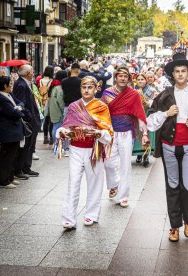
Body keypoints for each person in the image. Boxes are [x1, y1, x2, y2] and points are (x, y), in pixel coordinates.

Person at [147, 52, 188, 242]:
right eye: (177, 71)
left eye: (184, 71)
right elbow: (150, 121)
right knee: (172, 185)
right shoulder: (164, 95)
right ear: (172, 74)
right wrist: (166, 113)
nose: (181, 74)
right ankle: (174, 226)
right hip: (168, 145)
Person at [56, 76, 113, 229]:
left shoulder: (102, 107)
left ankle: (91, 215)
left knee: (94, 182)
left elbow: (108, 132)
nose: (86, 90)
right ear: (80, 88)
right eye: (84, 87)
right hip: (75, 149)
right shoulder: (74, 106)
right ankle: (69, 218)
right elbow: (65, 126)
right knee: (73, 182)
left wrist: (97, 133)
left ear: (96, 89)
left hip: (94, 148)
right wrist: (63, 133)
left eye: (90, 87)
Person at [101, 66, 148, 207]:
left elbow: (139, 114)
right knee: (108, 163)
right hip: (110, 133)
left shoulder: (133, 94)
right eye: (120, 76)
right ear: (115, 77)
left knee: (126, 165)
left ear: (128, 79)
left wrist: (144, 133)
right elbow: (101, 112)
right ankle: (114, 185)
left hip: (127, 133)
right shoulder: (107, 92)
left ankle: (123, 196)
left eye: (125, 76)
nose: (122, 78)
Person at [0, 76, 25, 189]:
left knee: (12, 155)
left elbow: (21, 103)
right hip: (7, 132)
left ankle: (10, 177)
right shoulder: (0, 99)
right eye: (10, 84)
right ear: (4, 86)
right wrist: (18, 110)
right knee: (6, 157)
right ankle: (3, 181)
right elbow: (15, 114)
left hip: (13, 131)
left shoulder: (9, 95)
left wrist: (18, 108)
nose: (11, 86)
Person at [13, 65, 40, 179]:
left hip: (31, 118)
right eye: (32, 72)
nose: (33, 74)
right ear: (28, 73)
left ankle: (26, 167)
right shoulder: (21, 85)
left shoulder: (25, 83)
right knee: (26, 145)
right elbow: (21, 103)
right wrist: (29, 116)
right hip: (28, 120)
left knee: (30, 145)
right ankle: (22, 168)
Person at [132, 73, 158, 166]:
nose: (140, 81)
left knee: (147, 134)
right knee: (138, 134)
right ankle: (139, 154)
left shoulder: (152, 90)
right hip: (136, 116)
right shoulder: (132, 91)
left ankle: (146, 154)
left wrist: (146, 102)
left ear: (146, 80)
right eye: (138, 79)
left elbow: (155, 102)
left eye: (142, 79)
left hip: (147, 114)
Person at [62, 63, 82, 157]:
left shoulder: (64, 81)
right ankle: (77, 146)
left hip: (67, 106)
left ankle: (66, 149)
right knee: (78, 127)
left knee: (66, 127)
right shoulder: (81, 81)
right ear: (78, 70)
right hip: (78, 106)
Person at [36, 66, 55, 145]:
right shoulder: (52, 81)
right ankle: (51, 139)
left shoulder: (40, 80)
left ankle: (45, 138)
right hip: (50, 101)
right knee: (50, 121)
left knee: (45, 121)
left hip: (42, 101)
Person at [50, 70, 68, 142]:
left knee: (55, 127)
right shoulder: (60, 88)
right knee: (57, 128)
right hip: (58, 113)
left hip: (54, 110)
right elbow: (60, 101)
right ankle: (57, 144)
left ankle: (55, 144)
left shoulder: (54, 86)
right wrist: (64, 110)